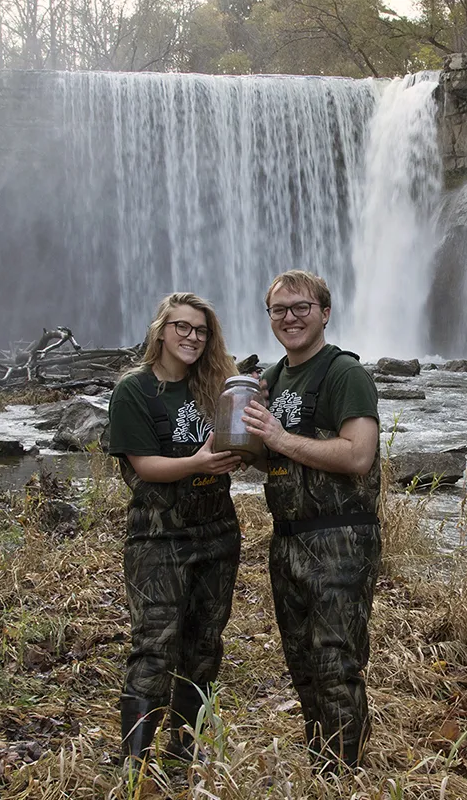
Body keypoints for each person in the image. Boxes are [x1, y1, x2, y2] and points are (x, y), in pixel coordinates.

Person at [241, 270, 381, 769]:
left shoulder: (344, 374)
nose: (290, 318)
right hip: (288, 540)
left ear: (324, 313)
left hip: (340, 537)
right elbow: (275, 459)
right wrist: (243, 444)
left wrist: (277, 438)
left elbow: (358, 455)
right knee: (302, 664)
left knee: (336, 663)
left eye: (301, 307)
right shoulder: (274, 379)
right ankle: (323, 765)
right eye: (279, 310)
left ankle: (345, 775)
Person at [107, 292, 244, 768]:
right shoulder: (134, 390)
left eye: (201, 331)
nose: (192, 337)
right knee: (155, 647)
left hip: (218, 534)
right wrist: (199, 461)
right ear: (161, 330)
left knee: (204, 647)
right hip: (157, 537)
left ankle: (185, 754)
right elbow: (143, 466)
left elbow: (240, 452)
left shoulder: (218, 387)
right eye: (182, 327)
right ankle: (135, 766)